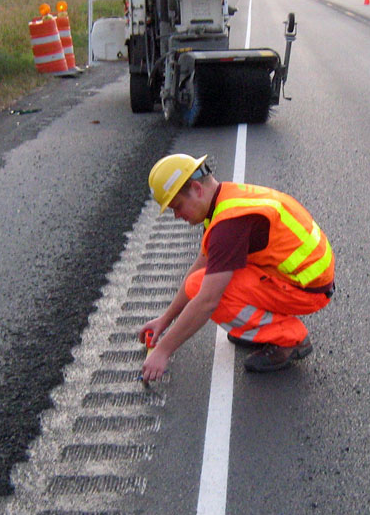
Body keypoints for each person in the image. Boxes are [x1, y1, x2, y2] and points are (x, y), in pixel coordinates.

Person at [140, 154, 335, 381]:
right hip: (298, 277)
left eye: (177, 206)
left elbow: (207, 301)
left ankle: (290, 338)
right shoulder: (226, 200)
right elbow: (201, 265)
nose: (176, 216)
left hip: (307, 290)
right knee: (205, 278)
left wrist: (163, 351)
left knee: (202, 287)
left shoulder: (229, 225)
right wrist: (165, 319)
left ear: (197, 189)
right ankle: (261, 329)